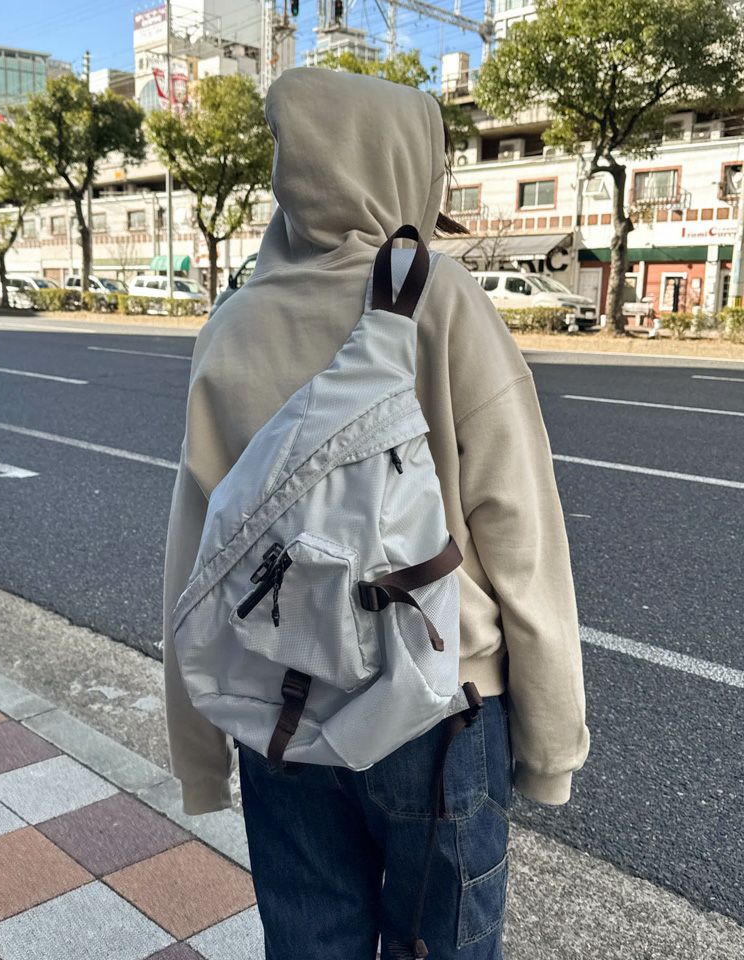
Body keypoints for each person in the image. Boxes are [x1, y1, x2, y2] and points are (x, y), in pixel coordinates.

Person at [162, 67, 590, 960]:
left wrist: (199, 755)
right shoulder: (443, 298)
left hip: (278, 713)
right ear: (406, 165)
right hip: (438, 709)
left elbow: (196, 559)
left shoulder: (231, 325)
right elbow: (521, 532)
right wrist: (551, 745)